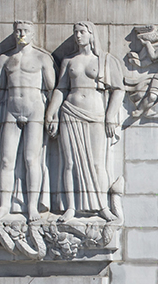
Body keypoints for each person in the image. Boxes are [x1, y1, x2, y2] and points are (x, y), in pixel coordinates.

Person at [45, 21, 125, 222]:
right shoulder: (69, 61)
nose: (78, 36)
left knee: (98, 162)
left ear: (91, 35)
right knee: (70, 163)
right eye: (75, 32)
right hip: (70, 112)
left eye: (82, 32)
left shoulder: (104, 60)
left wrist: (110, 116)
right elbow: (61, 89)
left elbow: (118, 89)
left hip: (95, 114)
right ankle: (71, 207)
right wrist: (51, 113)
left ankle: (103, 207)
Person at [0, 20, 56, 222]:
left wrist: (54, 114)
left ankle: (33, 207)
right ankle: (3, 206)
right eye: (18, 30)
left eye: (25, 31)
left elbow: (52, 90)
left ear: (33, 33)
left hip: (35, 109)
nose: (21, 34)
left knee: (30, 159)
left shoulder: (42, 58)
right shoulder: (4, 59)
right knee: (6, 160)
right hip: (11, 108)